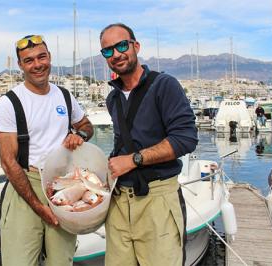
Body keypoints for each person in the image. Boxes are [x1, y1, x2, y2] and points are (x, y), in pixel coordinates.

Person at [99, 23, 198, 266]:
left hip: (157, 200)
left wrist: (133, 160)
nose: (117, 54)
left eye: (122, 45)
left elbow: (185, 138)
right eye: (108, 51)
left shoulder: (164, 85)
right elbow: (124, 143)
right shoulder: (112, 98)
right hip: (119, 202)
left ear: (136, 46)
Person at [0, 34, 93, 266]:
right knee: (19, 262)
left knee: (61, 261)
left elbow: (87, 126)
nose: (37, 64)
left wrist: (79, 136)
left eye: (41, 57)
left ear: (49, 57)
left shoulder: (65, 96)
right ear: (20, 65)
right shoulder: (10, 103)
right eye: (29, 60)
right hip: (25, 185)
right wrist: (39, 207)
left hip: (63, 184)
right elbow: (9, 163)